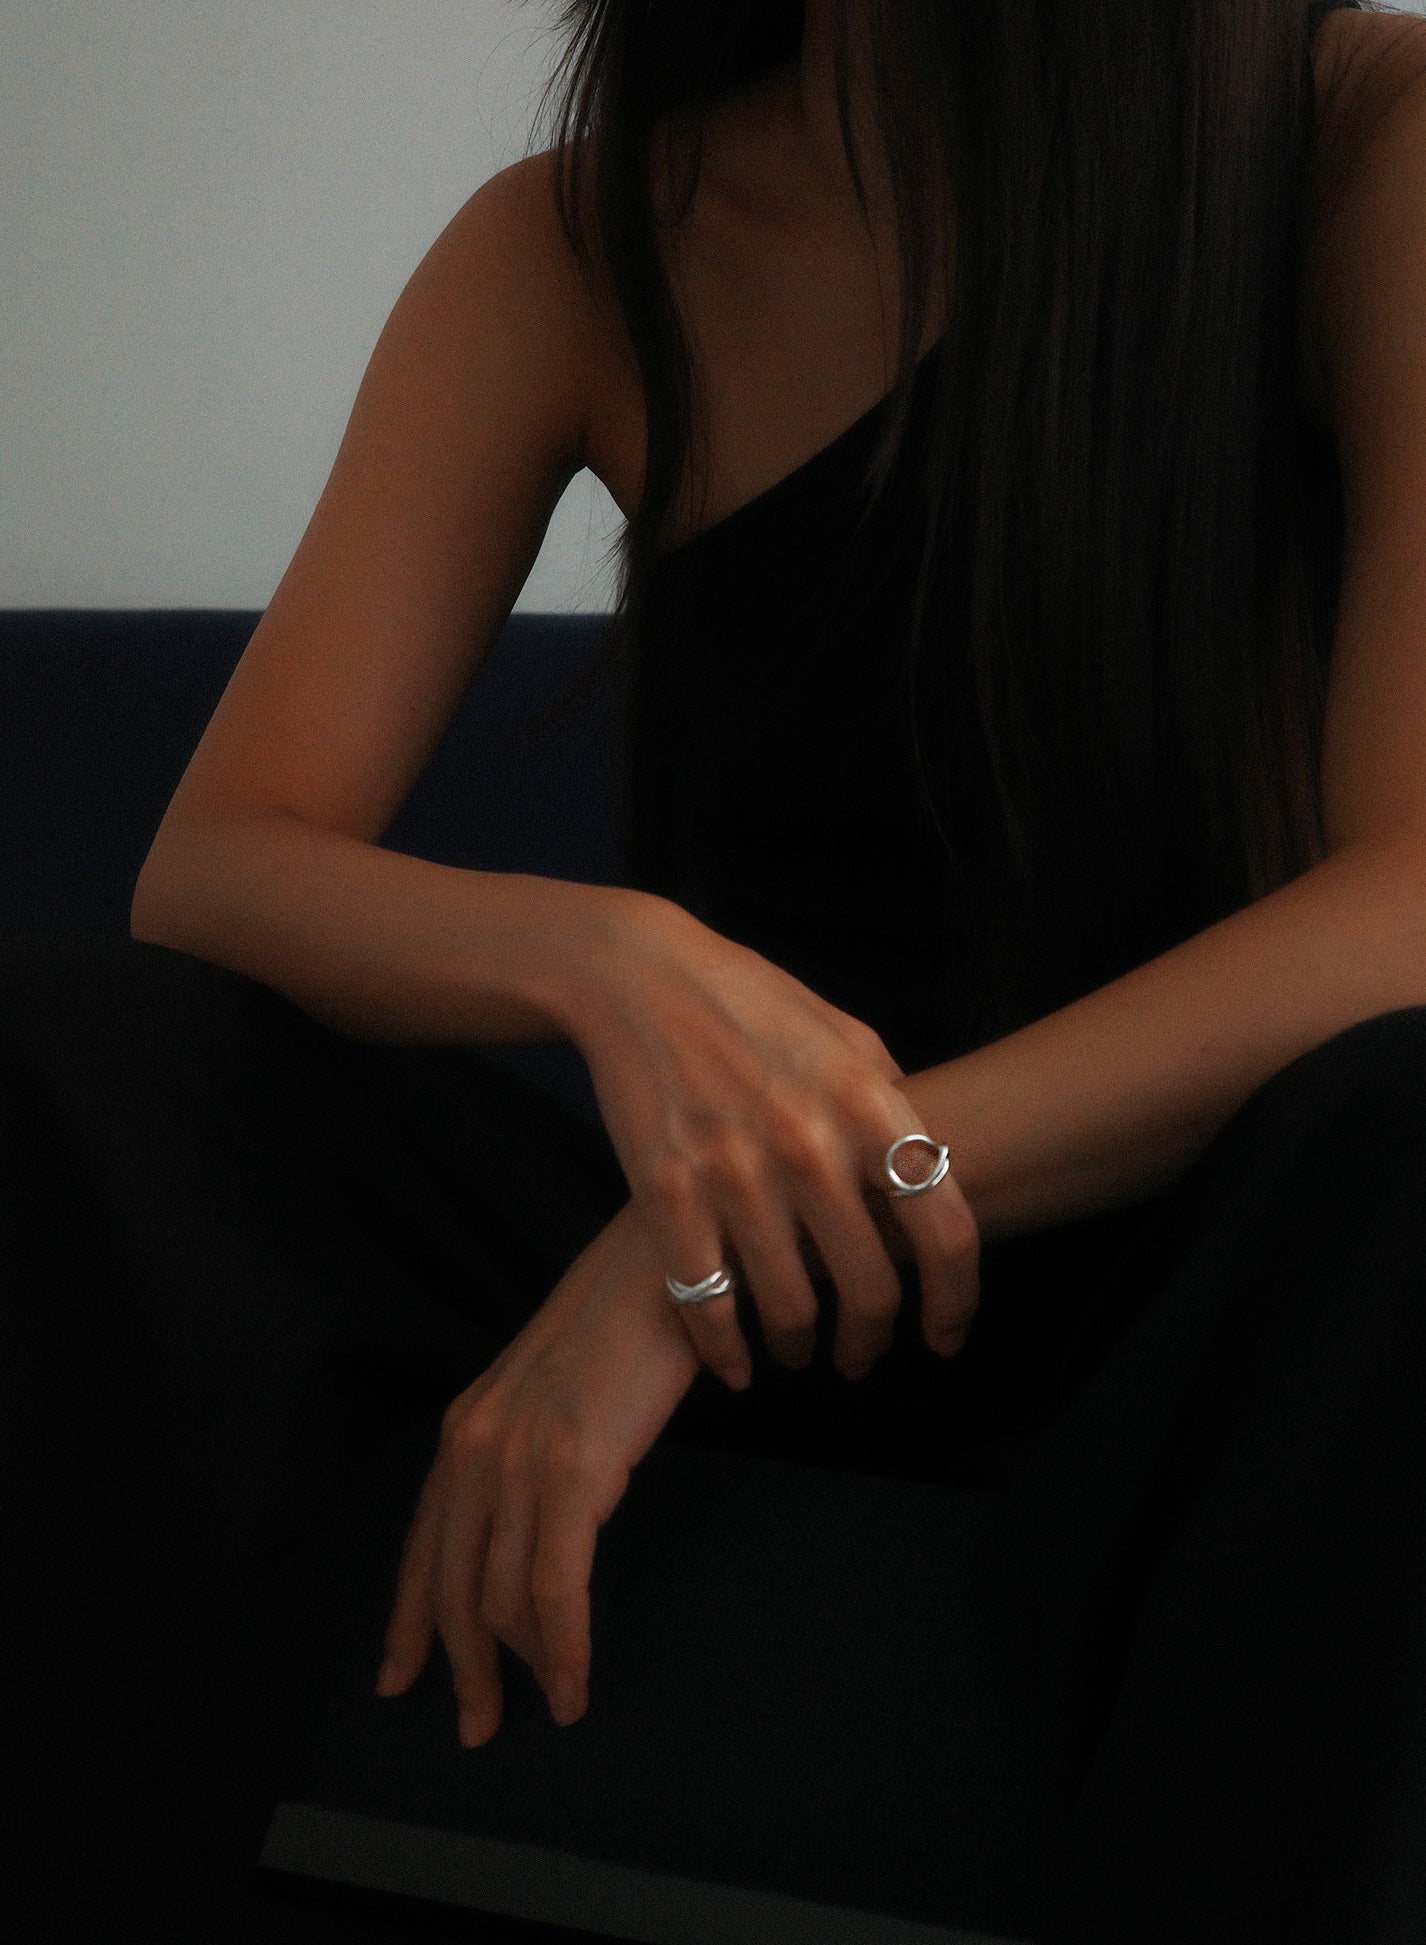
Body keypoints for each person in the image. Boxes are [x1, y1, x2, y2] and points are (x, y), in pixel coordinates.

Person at [7, 0, 1426, 1939]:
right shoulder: (584, 241)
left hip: (1188, 1302)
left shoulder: (1363, 137)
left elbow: (1408, 904)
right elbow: (217, 867)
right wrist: (611, 961)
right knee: (73, 1063)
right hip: (738, 1283)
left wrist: (691, 1265)